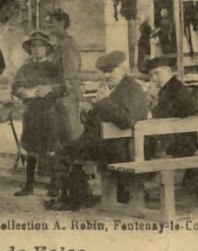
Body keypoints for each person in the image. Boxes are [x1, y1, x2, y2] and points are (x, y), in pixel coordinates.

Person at [48, 51, 151, 210]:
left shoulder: (132, 89)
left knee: (64, 152)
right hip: (104, 141)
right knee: (63, 150)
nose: (107, 75)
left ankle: (76, 198)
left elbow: (127, 121)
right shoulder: (110, 88)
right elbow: (98, 118)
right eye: (104, 72)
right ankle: (79, 195)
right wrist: (88, 112)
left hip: (121, 146)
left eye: (111, 71)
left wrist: (103, 101)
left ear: (122, 69)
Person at [11, 30, 66, 197]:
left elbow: (64, 88)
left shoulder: (53, 67)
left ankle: (54, 185)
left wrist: (49, 89)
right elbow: (15, 87)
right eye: (33, 46)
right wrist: (23, 92)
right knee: (30, 149)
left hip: (49, 113)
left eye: (40, 46)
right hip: (31, 113)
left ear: (47, 49)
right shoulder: (24, 68)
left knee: (51, 149)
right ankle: (28, 186)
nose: (36, 49)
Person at [45, 9, 83, 141]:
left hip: (68, 95)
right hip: (59, 94)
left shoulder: (68, 43)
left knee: (70, 134)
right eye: (47, 23)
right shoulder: (59, 43)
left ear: (62, 23)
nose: (48, 25)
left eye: (51, 22)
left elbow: (70, 74)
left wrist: (56, 89)